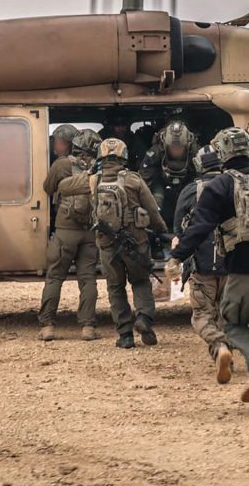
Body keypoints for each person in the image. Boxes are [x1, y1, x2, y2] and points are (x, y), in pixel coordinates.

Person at [166, 128, 249, 413]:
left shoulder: (220, 186)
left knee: (233, 324)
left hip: (243, 268)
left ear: (223, 153)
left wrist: (177, 257)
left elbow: (199, 227)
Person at [58, 137, 168, 349]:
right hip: (136, 241)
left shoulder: (93, 181)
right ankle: (144, 319)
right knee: (140, 281)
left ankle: (125, 335)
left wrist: (89, 174)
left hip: (107, 244)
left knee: (115, 287)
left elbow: (63, 187)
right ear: (124, 157)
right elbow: (153, 210)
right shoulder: (134, 180)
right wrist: (161, 231)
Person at [172, 144, 233, 381]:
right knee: (228, 314)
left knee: (202, 315)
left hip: (202, 264)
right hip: (232, 263)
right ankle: (229, 351)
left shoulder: (190, 191)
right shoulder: (234, 185)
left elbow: (179, 230)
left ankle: (219, 346)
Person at [38, 129, 101, 341]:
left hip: (65, 230)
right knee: (88, 279)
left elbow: (47, 188)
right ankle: (88, 327)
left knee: (55, 277)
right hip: (90, 232)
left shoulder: (62, 164)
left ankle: (48, 326)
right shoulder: (99, 168)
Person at [140, 120, 199, 258]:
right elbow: (144, 180)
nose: (176, 151)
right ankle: (155, 241)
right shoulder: (155, 152)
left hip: (188, 184)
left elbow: (203, 177)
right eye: (172, 148)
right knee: (153, 205)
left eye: (179, 148)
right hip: (161, 184)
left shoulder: (195, 152)